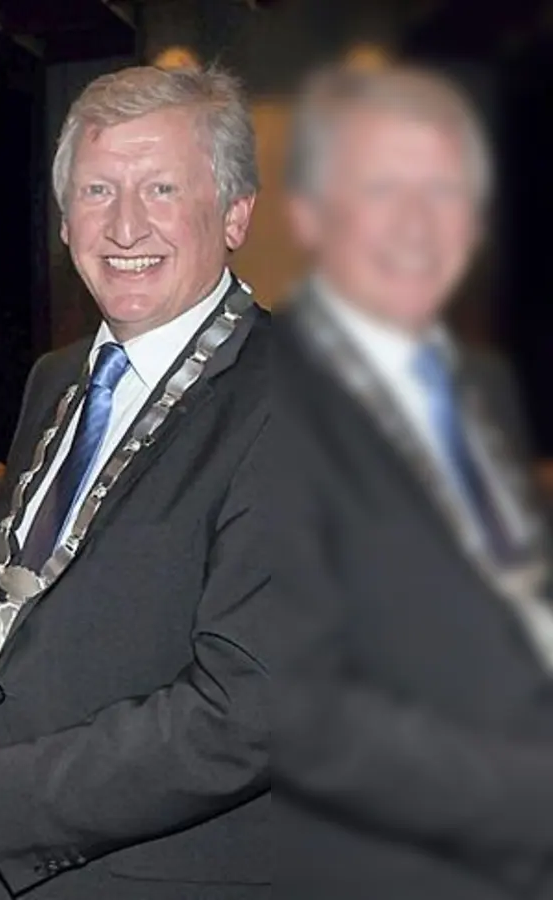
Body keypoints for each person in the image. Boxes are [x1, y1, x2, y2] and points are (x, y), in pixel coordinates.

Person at [0, 66, 272, 899]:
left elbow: (247, 714)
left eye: (160, 188)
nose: (124, 224)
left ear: (234, 213)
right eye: (96, 189)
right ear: (62, 218)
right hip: (0, 874)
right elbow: (42, 603)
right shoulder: (59, 379)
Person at [272, 64, 553, 899]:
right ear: (310, 215)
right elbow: (297, 705)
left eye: (444, 191)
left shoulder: (483, 385)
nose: (419, 224)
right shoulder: (260, 395)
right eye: (384, 188)